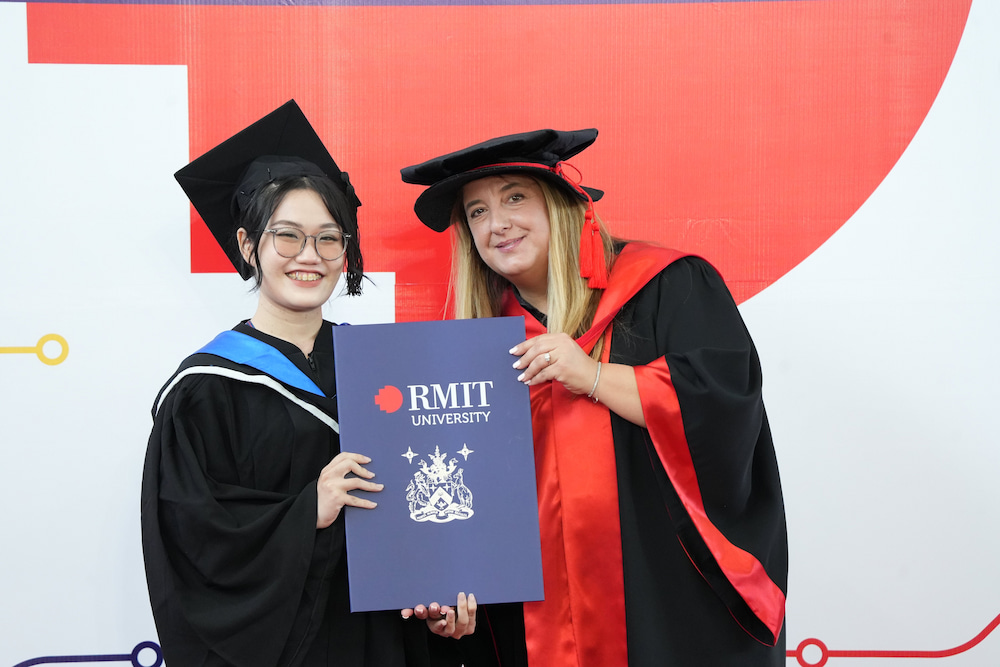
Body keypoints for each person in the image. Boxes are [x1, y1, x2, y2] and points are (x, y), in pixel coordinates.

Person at [400, 129, 788, 666]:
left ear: (563, 206)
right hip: (536, 614)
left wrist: (594, 377)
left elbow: (724, 407)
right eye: (477, 212)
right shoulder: (477, 346)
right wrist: (451, 584)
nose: (498, 223)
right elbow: (466, 491)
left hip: (662, 603)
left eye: (515, 197)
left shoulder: (666, 286)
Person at [141, 100, 472, 667]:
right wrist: (306, 512)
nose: (309, 257)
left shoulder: (386, 371)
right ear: (249, 247)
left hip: (385, 643)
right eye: (287, 236)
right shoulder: (206, 388)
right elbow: (191, 546)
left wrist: (445, 597)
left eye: (328, 238)